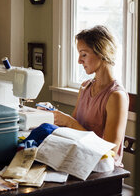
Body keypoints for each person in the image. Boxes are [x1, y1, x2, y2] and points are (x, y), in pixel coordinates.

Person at [38, 25, 129, 166]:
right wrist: (55, 115)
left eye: (84, 54)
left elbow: (110, 150)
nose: (79, 61)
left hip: (103, 170)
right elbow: (74, 128)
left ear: (102, 52)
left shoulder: (116, 96)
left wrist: (69, 122)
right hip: (80, 160)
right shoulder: (85, 87)